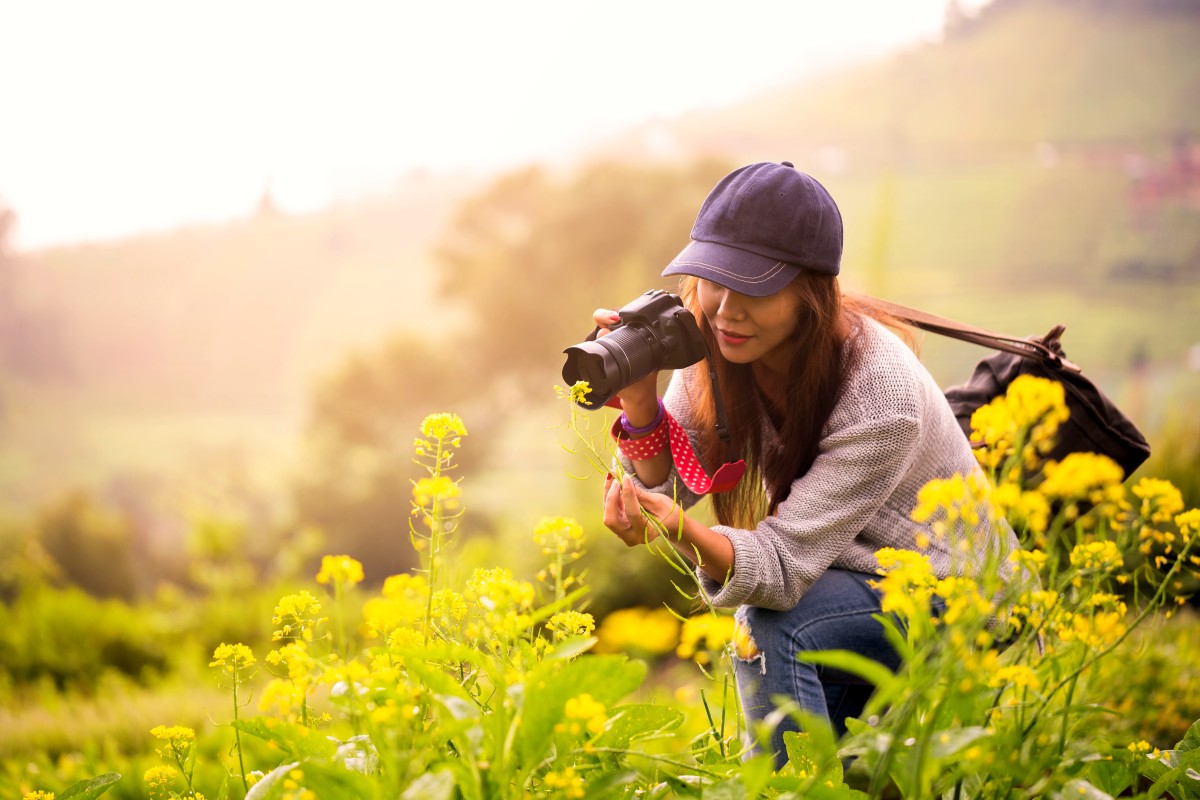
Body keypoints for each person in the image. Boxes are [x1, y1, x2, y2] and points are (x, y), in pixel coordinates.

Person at [592, 161, 1018, 767]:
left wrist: (679, 530)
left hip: (961, 599)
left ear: (811, 292)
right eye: (714, 280)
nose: (725, 309)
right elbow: (672, 482)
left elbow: (782, 568)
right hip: (851, 582)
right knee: (856, 771)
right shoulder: (716, 350)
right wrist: (639, 398)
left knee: (768, 629)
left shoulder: (881, 392)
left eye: (755, 287)